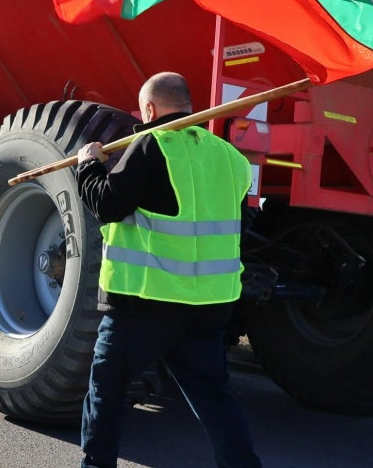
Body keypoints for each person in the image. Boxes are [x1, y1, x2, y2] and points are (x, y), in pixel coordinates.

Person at [74, 72, 262, 468]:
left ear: (148, 109)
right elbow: (239, 228)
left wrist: (88, 166)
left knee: (106, 394)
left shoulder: (151, 145)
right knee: (216, 401)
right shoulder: (231, 158)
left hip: (145, 305)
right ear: (189, 107)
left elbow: (108, 205)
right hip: (209, 308)